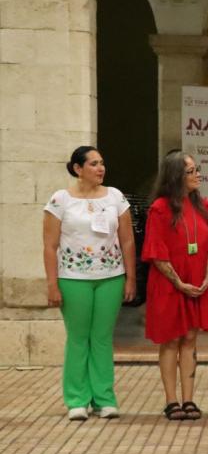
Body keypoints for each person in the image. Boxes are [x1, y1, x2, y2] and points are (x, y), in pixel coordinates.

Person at [43, 146, 136, 421]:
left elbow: (127, 241)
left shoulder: (115, 197)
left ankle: (104, 399)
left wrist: (130, 278)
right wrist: (52, 284)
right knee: (78, 338)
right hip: (73, 279)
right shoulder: (60, 200)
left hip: (111, 277)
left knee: (102, 338)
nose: (100, 168)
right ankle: (77, 399)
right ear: (77, 168)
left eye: (102, 163)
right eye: (93, 163)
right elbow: (49, 246)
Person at [142, 151, 208, 420]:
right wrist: (179, 282)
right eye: (190, 171)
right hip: (169, 284)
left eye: (197, 169)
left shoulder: (203, 205)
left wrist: (207, 277)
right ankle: (171, 401)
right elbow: (156, 253)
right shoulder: (160, 208)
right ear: (176, 176)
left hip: (197, 284)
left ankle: (189, 399)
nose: (197, 174)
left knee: (190, 338)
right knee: (171, 340)